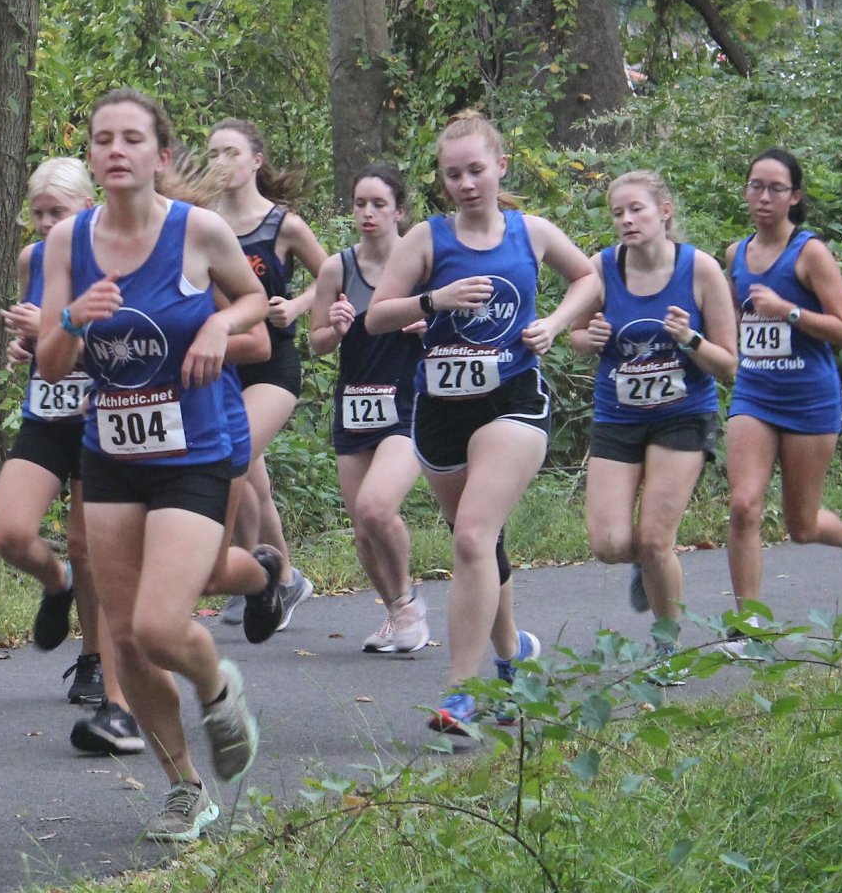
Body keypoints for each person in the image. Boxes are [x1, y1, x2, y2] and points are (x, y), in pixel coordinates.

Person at [36, 88, 276, 843]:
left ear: (160, 156)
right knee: (127, 640)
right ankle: (184, 789)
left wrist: (218, 328)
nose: (114, 150)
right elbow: (49, 364)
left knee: (160, 624)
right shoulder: (69, 243)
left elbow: (258, 309)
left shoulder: (199, 231)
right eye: (101, 138)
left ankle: (217, 685)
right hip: (110, 451)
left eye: (131, 138)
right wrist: (76, 318)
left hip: (193, 454)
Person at [366, 110, 600, 733]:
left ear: (500, 167)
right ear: (443, 182)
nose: (466, 183)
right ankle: (512, 656)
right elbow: (376, 317)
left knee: (471, 536)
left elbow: (588, 276)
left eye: (476, 170)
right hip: (439, 409)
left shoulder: (532, 232)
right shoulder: (426, 238)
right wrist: (433, 301)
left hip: (513, 398)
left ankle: (460, 695)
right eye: (453, 175)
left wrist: (554, 324)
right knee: (483, 545)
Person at [0, 156, 145, 754]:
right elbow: (36, 341)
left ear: (87, 209)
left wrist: (55, 327)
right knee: (8, 533)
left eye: (58, 211)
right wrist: (21, 347)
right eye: (38, 213)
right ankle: (55, 582)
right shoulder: (34, 259)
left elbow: (128, 349)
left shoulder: (112, 262)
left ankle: (98, 668)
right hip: (47, 413)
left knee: (91, 546)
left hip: (101, 417)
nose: (47, 223)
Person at [568, 170, 737, 682]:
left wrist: (689, 339)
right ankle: (643, 563)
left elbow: (728, 364)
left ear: (663, 211)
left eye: (636, 209)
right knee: (610, 544)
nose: (625, 220)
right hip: (618, 415)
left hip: (681, 415)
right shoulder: (600, 268)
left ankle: (669, 644)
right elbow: (574, 336)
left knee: (656, 538)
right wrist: (590, 336)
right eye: (617, 213)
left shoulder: (701, 270)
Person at [723, 148, 842, 643]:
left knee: (801, 524)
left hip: (809, 398)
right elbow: (735, 322)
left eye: (776, 188)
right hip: (754, 393)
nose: (764, 197)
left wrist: (789, 311)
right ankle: (746, 625)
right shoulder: (735, 254)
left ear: (795, 197)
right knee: (743, 505)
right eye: (756, 185)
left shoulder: (809, 252)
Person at [207, 118, 325, 631]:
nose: (220, 163)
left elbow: (337, 277)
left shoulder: (284, 225)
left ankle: (248, 574)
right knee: (255, 482)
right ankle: (282, 578)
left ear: (256, 160)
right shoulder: (204, 224)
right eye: (212, 154)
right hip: (224, 368)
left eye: (231, 152)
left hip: (274, 366)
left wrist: (296, 306)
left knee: (236, 455)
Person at [308, 163, 431, 654]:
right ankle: (397, 614)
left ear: (400, 210)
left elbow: (458, 322)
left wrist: (430, 326)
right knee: (363, 527)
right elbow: (316, 343)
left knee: (377, 507)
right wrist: (334, 329)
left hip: (409, 403)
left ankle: (408, 606)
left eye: (379, 203)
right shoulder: (337, 268)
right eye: (360, 203)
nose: (367, 212)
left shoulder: (422, 265)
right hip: (355, 407)